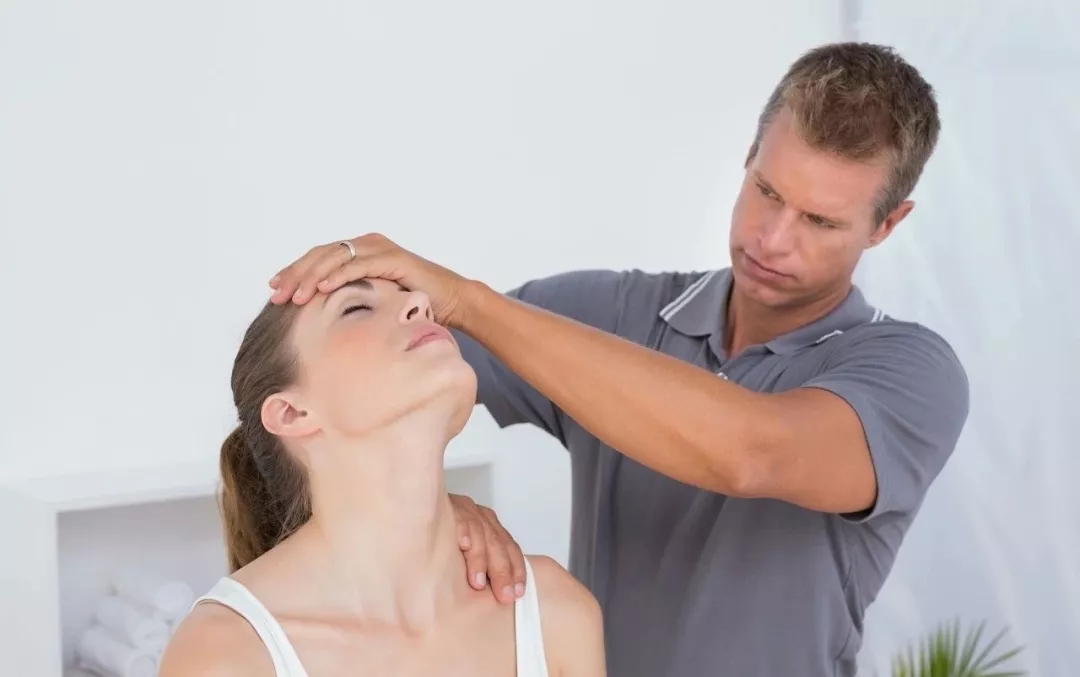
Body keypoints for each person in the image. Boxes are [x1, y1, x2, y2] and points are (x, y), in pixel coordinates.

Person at [266, 42, 970, 677]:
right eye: (767, 191)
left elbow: (752, 452)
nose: (774, 238)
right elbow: (361, 395)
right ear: (751, 154)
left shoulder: (910, 374)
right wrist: (427, 512)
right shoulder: (608, 315)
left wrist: (469, 300)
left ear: (887, 224)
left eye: (819, 221)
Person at [158, 278, 606, 677]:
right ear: (292, 412)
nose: (420, 303)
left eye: (414, 295)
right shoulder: (227, 655)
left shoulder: (553, 614)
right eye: (356, 307)